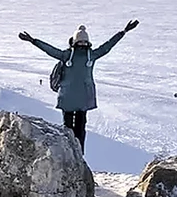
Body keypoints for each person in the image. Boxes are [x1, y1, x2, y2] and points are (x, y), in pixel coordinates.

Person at [18, 21, 139, 153]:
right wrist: (123, 32)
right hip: (83, 97)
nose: (82, 44)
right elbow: (107, 46)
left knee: (68, 127)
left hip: (68, 96)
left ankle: (69, 152)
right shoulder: (91, 55)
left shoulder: (67, 55)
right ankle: (79, 153)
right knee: (80, 127)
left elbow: (50, 50)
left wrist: (33, 41)